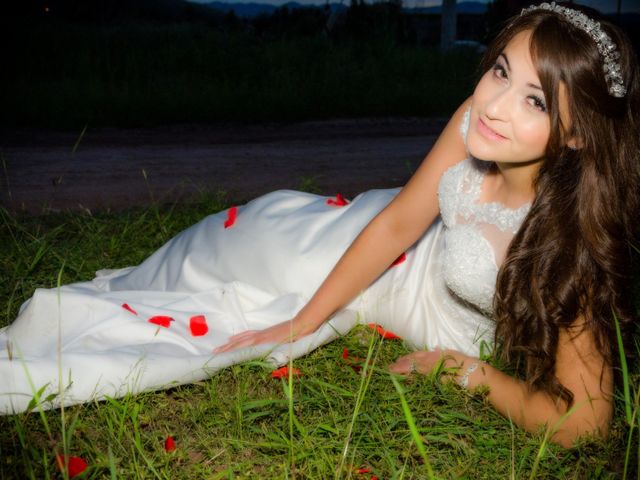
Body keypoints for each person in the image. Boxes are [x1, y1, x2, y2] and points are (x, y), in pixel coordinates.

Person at [0, 2, 638, 448]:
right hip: (382, 244)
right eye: (500, 68)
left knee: (240, 313)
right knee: (255, 244)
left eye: (533, 98)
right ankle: (162, 271)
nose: (494, 103)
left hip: (422, 310)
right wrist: (303, 319)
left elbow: (586, 423)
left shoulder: (573, 250)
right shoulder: (478, 120)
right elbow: (395, 225)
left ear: (579, 132)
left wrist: (464, 373)